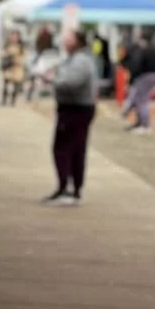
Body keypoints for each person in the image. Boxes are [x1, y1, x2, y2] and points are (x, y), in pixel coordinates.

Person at [43, 29, 96, 203]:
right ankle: (70, 187)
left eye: (68, 38)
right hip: (74, 108)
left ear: (77, 41)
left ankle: (68, 188)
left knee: (66, 148)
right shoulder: (75, 59)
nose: (64, 41)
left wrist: (53, 79)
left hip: (75, 109)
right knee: (73, 148)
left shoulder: (80, 60)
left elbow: (72, 82)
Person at [121, 28, 155, 130]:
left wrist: (132, 79)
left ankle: (144, 124)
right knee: (139, 98)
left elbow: (138, 65)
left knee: (141, 99)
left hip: (146, 76)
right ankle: (139, 121)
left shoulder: (144, 50)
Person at [0, 29, 26, 106]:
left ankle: (12, 101)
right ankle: (4, 101)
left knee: (15, 86)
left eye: (16, 36)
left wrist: (18, 60)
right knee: (6, 84)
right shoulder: (7, 45)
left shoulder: (21, 46)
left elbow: (23, 56)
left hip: (16, 67)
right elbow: (3, 54)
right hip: (9, 67)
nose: (14, 38)